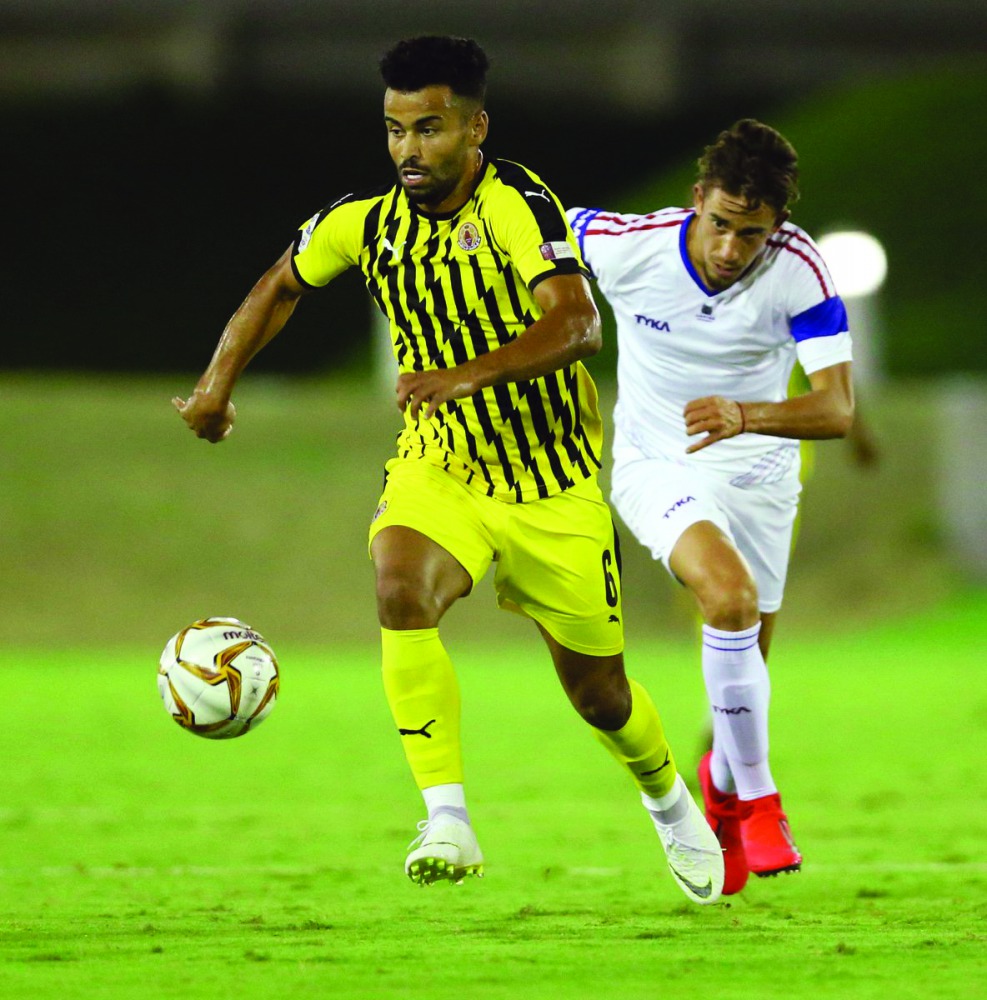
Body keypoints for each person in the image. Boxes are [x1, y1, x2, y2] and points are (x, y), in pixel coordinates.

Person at [174, 35, 723, 903]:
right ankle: (448, 819)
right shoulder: (367, 222)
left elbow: (577, 326)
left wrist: (461, 375)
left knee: (600, 696)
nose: (407, 151)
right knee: (399, 583)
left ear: (474, 130)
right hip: (444, 467)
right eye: (394, 130)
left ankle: (666, 800)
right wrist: (215, 387)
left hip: (551, 483)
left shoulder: (516, 204)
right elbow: (280, 283)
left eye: (428, 129)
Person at [568, 119, 854, 895]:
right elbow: (527, 229)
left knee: (747, 667)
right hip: (655, 464)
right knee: (725, 600)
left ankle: (723, 790)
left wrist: (744, 414)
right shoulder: (630, 244)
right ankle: (760, 802)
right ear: (698, 200)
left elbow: (835, 409)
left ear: (777, 228)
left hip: (760, 471)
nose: (729, 249)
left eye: (750, 233)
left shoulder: (801, 269)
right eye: (721, 224)